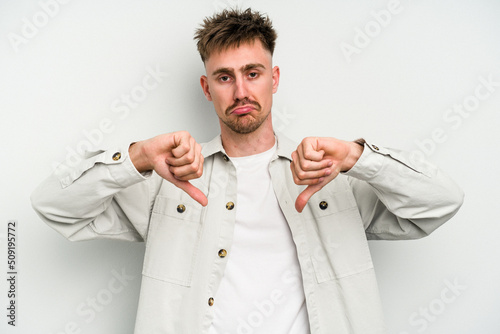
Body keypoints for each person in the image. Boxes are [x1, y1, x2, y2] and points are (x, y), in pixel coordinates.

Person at [31, 8, 464, 334]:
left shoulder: (332, 176)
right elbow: (54, 206)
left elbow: (441, 202)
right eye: (224, 77)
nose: (241, 91)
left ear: (273, 78)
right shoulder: (169, 181)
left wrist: (357, 156)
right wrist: (137, 156)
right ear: (206, 88)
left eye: (252, 73)